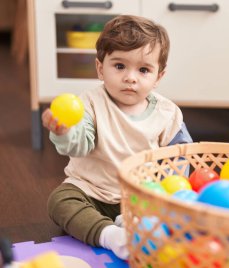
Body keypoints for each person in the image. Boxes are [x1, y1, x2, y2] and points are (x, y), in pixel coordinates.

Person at [41, 15, 192, 259]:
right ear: (101, 68)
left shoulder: (167, 113)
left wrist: (166, 196)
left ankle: (132, 223)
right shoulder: (89, 103)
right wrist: (65, 131)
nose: (130, 77)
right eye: (119, 66)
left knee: (173, 207)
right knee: (60, 200)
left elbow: (181, 158)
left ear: (158, 77)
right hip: (91, 191)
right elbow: (79, 144)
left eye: (143, 70)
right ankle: (109, 235)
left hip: (141, 197)